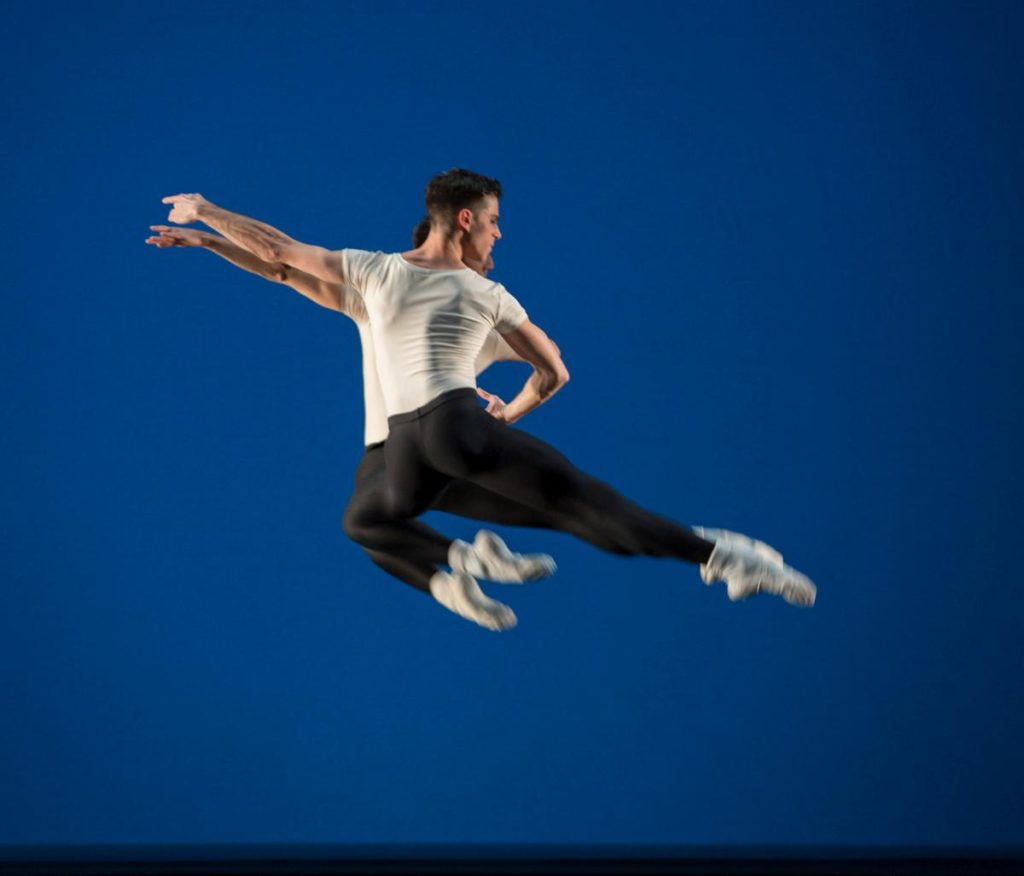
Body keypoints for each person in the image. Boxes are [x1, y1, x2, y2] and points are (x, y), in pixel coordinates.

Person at [158, 170, 817, 619]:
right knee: (583, 511)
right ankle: (722, 555)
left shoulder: (378, 280)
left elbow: (279, 261)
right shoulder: (485, 296)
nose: (498, 235)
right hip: (448, 432)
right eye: (494, 223)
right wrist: (512, 409)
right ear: (463, 221)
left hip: (408, 445)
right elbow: (555, 370)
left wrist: (204, 221)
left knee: (372, 520)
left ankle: (471, 563)